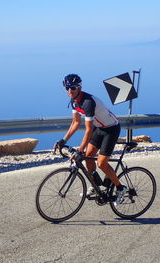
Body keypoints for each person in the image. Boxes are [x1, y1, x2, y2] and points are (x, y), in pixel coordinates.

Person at [55, 73, 127, 206]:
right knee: (88, 158)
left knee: (101, 163)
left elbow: (88, 130)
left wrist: (80, 149)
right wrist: (63, 140)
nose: (69, 91)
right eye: (67, 88)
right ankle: (96, 185)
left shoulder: (88, 102)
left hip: (111, 129)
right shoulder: (74, 101)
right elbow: (75, 123)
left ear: (79, 87)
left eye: (72, 88)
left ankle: (120, 188)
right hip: (99, 128)